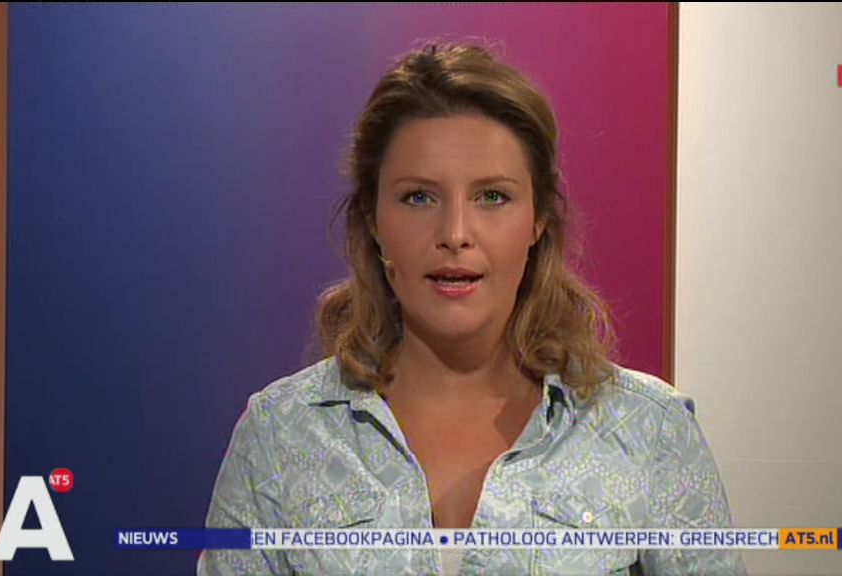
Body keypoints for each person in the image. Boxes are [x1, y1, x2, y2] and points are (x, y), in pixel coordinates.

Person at [198, 40, 747, 576]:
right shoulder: (279, 436)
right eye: (419, 197)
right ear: (373, 219)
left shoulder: (649, 430)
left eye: (492, 197)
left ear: (538, 220)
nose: (456, 233)